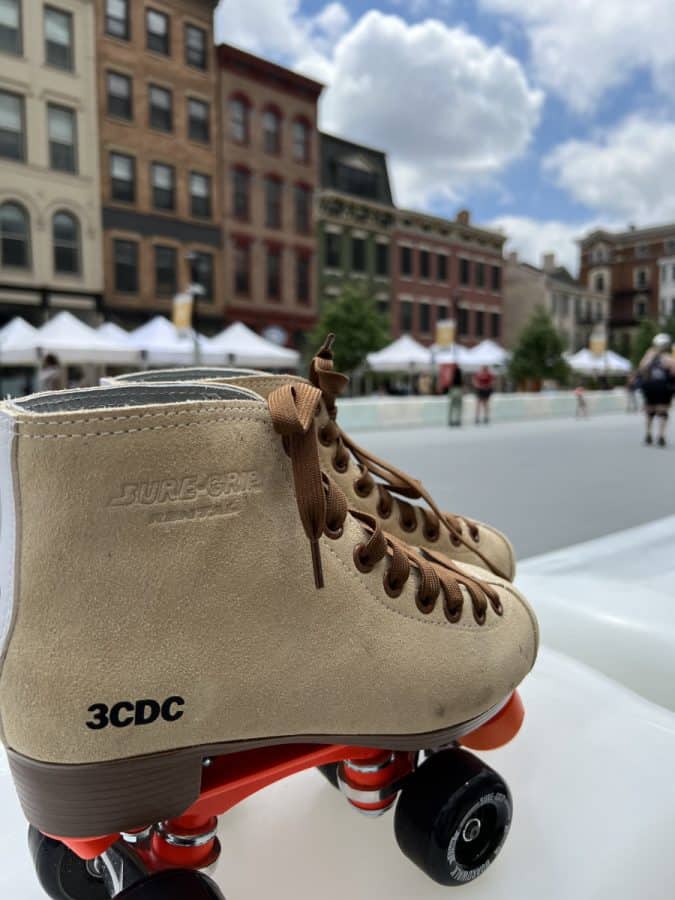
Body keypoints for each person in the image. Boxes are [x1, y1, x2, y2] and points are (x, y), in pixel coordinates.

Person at [638, 332, 675, 446]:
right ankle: (660, 435)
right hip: (663, 387)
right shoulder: (668, 357)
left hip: (651, 386)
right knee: (662, 411)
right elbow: (673, 371)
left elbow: (641, 368)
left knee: (650, 411)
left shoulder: (649, 355)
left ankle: (649, 433)